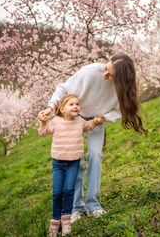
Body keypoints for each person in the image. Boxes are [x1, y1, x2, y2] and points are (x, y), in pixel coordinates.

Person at [38, 54, 147, 224]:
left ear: (121, 80)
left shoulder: (122, 90)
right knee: (76, 160)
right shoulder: (90, 72)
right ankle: (76, 207)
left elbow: (119, 110)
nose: (105, 75)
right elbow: (63, 88)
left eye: (111, 76)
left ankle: (92, 204)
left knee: (95, 155)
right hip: (75, 117)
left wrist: (104, 117)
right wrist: (50, 107)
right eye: (106, 69)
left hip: (97, 120)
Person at [38, 94, 105, 236]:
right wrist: (43, 122)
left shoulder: (80, 121)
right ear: (62, 109)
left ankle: (66, 222)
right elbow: (43, 131)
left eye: (77, 104)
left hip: (73, 163)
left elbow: (89, 126)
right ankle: (54, 223)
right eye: (71, 104)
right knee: (57, 192)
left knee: (69, 190)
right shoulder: (56, 121)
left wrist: (96, 121)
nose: (76, 106)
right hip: (58, 164)